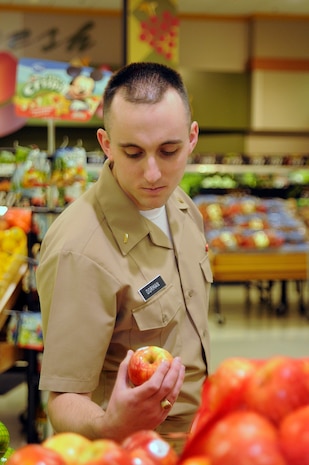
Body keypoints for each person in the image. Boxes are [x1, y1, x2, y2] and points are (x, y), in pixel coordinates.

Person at [36, 62, 213, 451]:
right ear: (105, 144)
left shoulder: (181, 207)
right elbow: (64, 400)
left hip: (198, 440)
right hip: (128, 451)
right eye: (133, 153)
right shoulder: (79, 250)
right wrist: (110, 424)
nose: (153, 173)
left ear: (192, 137)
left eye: (169, 151)